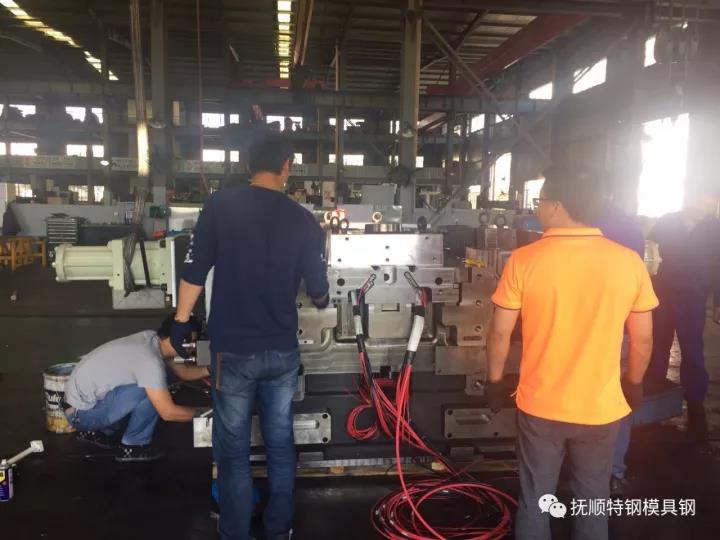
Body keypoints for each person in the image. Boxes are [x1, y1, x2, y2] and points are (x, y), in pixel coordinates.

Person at [485, 162, 658, 540]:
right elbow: (643, 338)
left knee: (536, 499)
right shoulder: (627, 261)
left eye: (540, 201)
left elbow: (499, 333)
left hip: (540, 406)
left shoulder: (525, 260)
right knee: (592, 499)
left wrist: (495, 381)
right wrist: (633, 383)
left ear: (558, 206)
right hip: (600, 408)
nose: (538, 208)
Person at [172, 135, 330, 540]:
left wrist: (181, 321)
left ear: (247, 166)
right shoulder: (303, 220)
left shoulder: (221, 206)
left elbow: (194, 270)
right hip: (282, 352)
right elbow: (319, 289)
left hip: (233, 352)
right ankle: (278, 529)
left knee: (234, 453)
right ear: (287, 166)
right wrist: (321, 296)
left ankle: (235, 533)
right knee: (280, 445)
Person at [63, 315, 207, 462]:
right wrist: (207, 413)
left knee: (153, 385)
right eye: (191, 342)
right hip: (82, 416)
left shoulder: (151, 339)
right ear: (176, 339)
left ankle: (102, 432)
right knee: (153, 390)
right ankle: (134, 446)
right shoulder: (150, 361)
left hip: (78, 406)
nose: (193, 347)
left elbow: (184, 373)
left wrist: (210, 369)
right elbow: (168, 413)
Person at [644, 188, 720, 450]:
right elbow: (649, 253)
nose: (706, 205)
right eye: (703, 199)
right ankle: (653, 392)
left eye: (712, 201)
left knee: (692, 350)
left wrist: (718, 302)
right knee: (657, 345)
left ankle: (696, 403)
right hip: (662, 294)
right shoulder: (667, 221)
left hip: (693, 297)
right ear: (691, 199)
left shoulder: (715, 229)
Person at [595, 200, 647, 496]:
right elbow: (644, 337)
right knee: (615, 400)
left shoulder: (577, 224)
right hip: (619, 330)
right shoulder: (630, 229)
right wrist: (635, 381)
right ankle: (612, 473)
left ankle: (582, 469)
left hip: (585, 331)